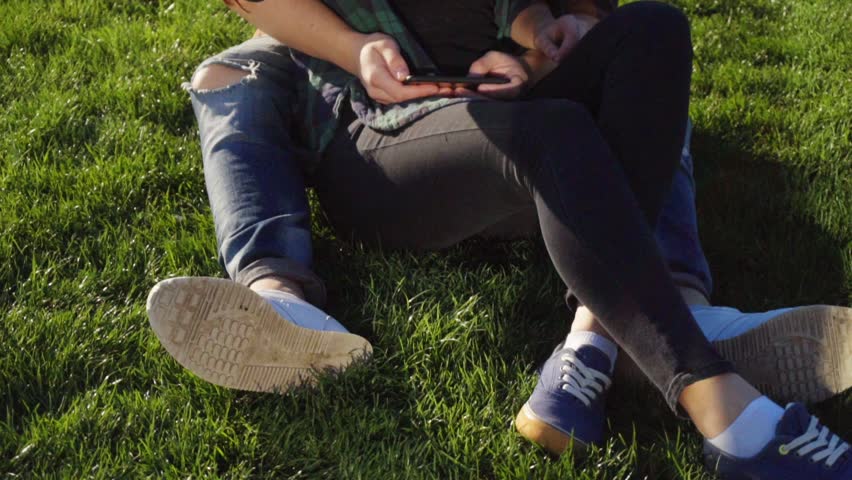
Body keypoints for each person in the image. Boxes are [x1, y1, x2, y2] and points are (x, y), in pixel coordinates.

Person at [145, 0, 851, 477]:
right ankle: (714, 397)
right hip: (388, 147)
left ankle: (595, 338)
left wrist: (540, 41)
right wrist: (359, 51)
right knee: (554, 130)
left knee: (656, 30)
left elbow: (554, 13)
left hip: (515, 124)